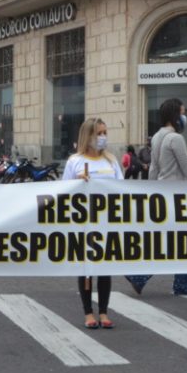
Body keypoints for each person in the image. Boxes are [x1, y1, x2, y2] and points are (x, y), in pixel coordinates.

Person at [62, 118, 123, 328]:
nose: (103, 137)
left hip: (107, 220)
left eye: (105, 132)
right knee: (86, 268)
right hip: (84, 222)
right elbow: (64, 192)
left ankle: (104, 312)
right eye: (99, 133)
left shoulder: (111, 161)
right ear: (87, 136)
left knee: (105, 267)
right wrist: (78, 182)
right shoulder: (74, 161)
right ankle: (88, 312)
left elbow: (123, 190)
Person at [140, 98, 187, 296]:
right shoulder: (176, 139)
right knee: (183, 240)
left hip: (163, 194)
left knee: (169, 239)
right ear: (176, 116)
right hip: (178, 196)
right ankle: (185, 282)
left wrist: (151, 191)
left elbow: (154, 168)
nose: (185, 117)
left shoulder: (157, 137)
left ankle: (139, 274)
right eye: (183, 113)